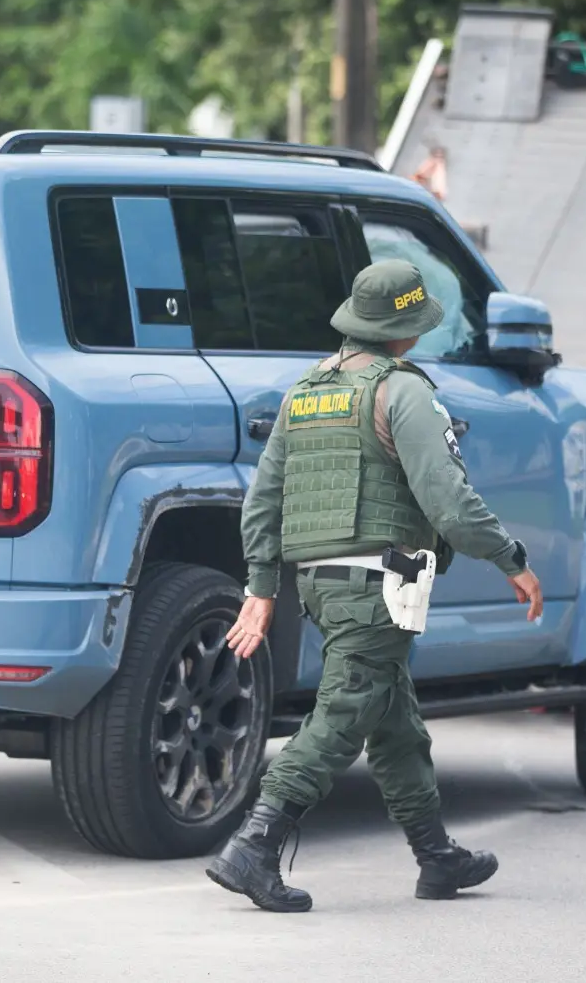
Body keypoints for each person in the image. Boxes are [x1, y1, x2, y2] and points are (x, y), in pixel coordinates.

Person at [205, 258, 543, 913]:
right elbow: (447, 498)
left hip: (322, 588)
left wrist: (261, 584)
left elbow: (262, 501)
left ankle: (436, 856)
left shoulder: (307, 391)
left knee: (393, 722)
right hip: (382, 583)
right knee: (343, 712)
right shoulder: (404, 392)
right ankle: (254, 843)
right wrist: (510, 559)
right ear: (405, 330)